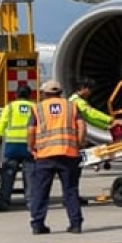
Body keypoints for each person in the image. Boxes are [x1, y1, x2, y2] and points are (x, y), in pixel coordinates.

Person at [26, 79, 85, 235]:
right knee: (71, 190)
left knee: (40, 191)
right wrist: (79, 144)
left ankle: (38, 224)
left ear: (45, 93)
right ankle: (76, 224)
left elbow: (31, 131)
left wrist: (31, 147)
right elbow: (82, 127)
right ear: (61, 92)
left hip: (45, 155)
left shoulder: (38, 108)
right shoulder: (72, 106)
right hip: (68, 153)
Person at [0, 85, 36, 212]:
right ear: (30, 95)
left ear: (16, 95)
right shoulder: (35, 107)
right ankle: (31, 203)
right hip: (29, 145)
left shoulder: (10, 107)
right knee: (30, 176)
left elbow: (0, 128)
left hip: (12, 145)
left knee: (7, 176)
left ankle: (3, 203)